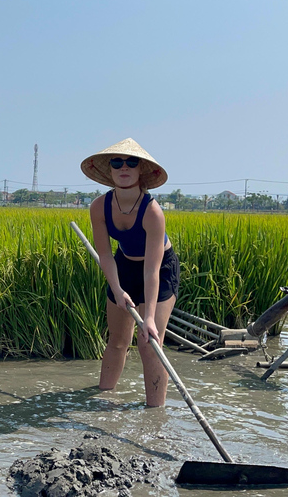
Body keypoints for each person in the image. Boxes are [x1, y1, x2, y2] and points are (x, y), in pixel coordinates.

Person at [80, 138, 179, 407]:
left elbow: (151, 270)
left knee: (149, 343)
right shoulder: (99, 206)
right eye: (117, 162)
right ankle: (102, 401)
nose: (124, 167)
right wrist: (116, 289)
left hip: (158, 269)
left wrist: (147, 318)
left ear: (140, 171)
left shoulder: (153, 212)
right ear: (110, 171)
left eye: (131, 162)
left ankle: (154, 415)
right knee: (117, 340)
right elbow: (105, 255)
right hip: (122, 265)